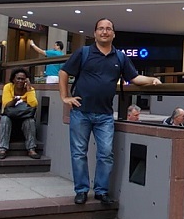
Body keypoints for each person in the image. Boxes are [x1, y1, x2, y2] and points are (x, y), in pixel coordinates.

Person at [59, 18, 162, 205]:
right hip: (81, 112)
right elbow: (64, 72)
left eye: (108, 29)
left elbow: (134, 77)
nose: (104, 32)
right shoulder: (83, 53)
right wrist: (65, 97)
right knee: (78, 153)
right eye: (101, 29)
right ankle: (81, 190)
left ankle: (101, 190)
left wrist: (152, 80)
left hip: (105, 115)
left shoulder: (120, 57)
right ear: (95, 33)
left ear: (113, 34)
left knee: (105, 153)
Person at [0, 67, 39, 160]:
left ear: (26, 80)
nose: (20, 81)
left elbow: (33, 104)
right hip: (10, 116)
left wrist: (28, 89)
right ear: (13, 79)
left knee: (30, 121)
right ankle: (2, 149)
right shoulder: (8, 87)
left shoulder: (30, 89)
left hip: (24, 117)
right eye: (18, 78)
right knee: (4, 119)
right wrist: (15, 100)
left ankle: (31, 149)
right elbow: (6, 104)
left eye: (23, 79)